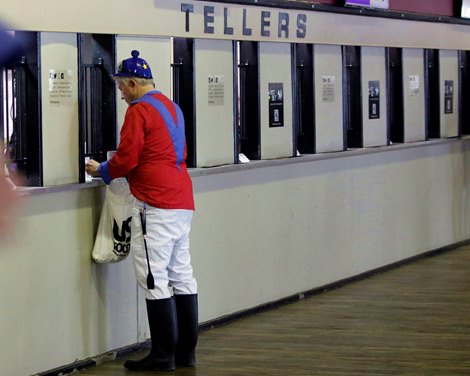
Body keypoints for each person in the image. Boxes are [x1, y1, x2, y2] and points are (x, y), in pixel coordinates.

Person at [85, 50, 198, 372]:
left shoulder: (138, 112)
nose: (121, 94)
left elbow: (127, 158)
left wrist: (101, 170)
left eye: (121, 87)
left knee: (153, 276)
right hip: (180, 198)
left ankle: (162, 355)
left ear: (132, 84)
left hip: (154, 202)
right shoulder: (171, 107)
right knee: (182, 275)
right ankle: (185, 353)